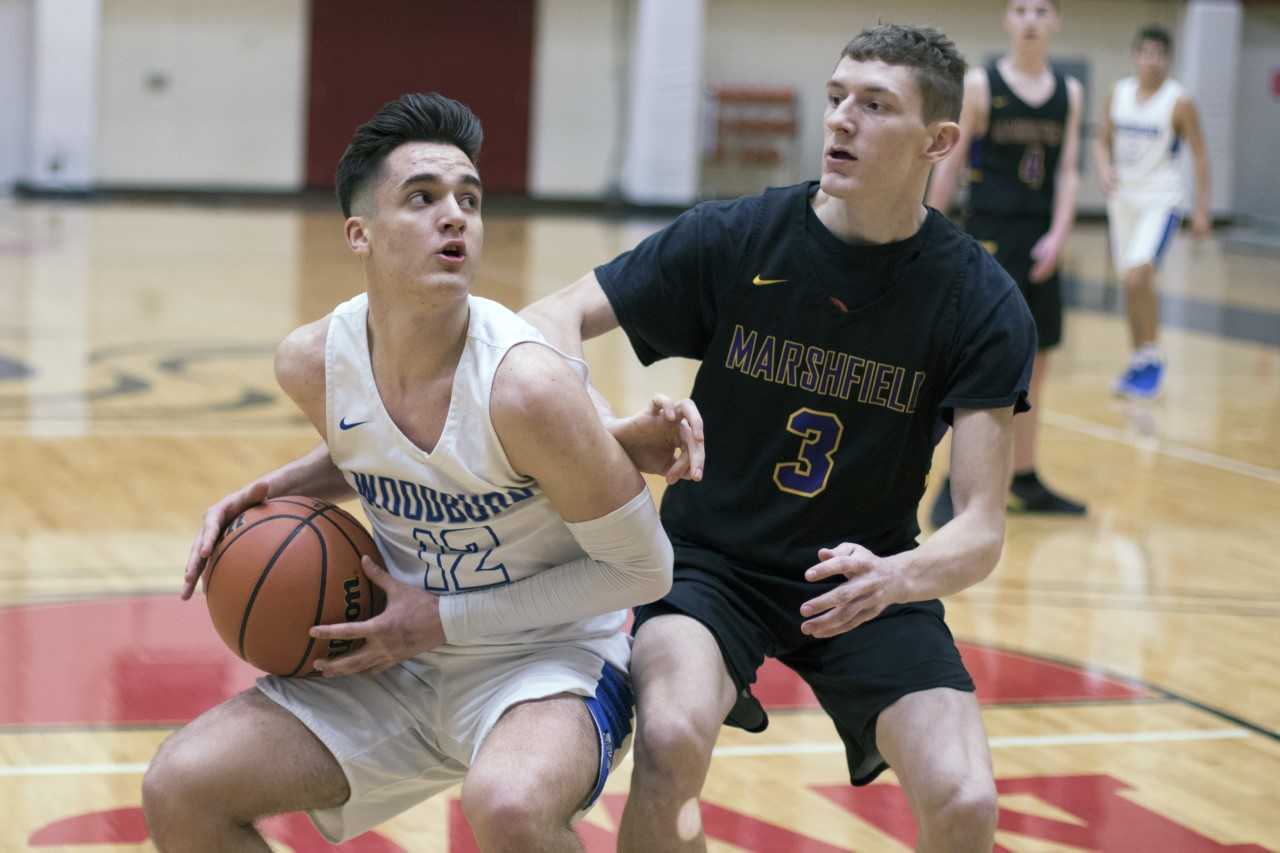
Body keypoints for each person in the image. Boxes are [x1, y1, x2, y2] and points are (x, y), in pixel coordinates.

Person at [522, 24, 1036, 853]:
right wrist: (601, 429)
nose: (840, 120)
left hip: (862, 572)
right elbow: (547, 320)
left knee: (966, 798)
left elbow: (979, 527)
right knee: (672, 736)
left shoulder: (978, 299)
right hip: (710, 566)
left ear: (938, 141)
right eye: (837, 98)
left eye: (875, 106)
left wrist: (896, 576)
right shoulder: (738, 237)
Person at [141, 93, 687, 853]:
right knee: (181, 787)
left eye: (469, 198)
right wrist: (279, 488)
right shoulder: (312, 363)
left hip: (544, 660)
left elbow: (645, 567)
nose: (455, 215)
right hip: (392, 657)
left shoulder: (525, 385)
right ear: (359, 234)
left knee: (509, 805)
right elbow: (390, 448)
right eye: (422, 198)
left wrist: (438, 619)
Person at [927, 0, 1087, 524]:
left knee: (1037, 365)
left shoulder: (1070, 93)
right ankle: (953, 483)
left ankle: (1024, 476)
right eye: (1021, 9)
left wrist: (1060, 233)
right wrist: (927, 224)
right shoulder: (981, 84)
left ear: (1056, 21)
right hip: (991, 234)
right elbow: (951, 158)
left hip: (1040, 237)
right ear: (1008, 20)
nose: (1031, 19)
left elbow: (1066, 170)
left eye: (1042, 10)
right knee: (978, 363)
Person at [1095, 24, 1211, 399]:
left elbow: (1200, 153)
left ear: (1168, 58)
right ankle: (1140, 360)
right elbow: (1101, 140)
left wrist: (1202, 210)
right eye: (1145, 53)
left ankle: (1153, 356)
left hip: (1161, 200)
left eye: (1159, 54)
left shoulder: (1179, 101)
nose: (1152, 60)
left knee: (1139, 277)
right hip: (1123, 199)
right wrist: (1105, 168)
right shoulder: (1119, 93)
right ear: (1136, 56)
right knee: (1130, 283)